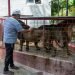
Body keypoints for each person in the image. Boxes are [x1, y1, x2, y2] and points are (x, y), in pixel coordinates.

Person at [3, 10, 30, 74]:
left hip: (6, 39)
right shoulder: (15, 22)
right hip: (10, 40)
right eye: (19, 15)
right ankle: (5, 70)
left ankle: (11, 65)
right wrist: (29, 30)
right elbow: (21, 30)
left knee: (10, 53)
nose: (19, 17)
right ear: (17, 15)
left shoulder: (8, 19)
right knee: (8, 55)